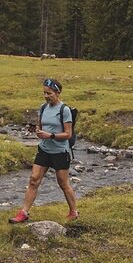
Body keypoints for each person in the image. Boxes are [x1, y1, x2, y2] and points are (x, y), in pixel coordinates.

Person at [8, 78, 79, 224]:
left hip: (60, 152)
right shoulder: (43, 107)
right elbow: (40, 128)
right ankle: (24, 213)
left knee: (63, 183)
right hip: (44, 149)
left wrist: (51, 135)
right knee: (34, 180)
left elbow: (68, 134)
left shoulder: (64, 110)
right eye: (45, 93)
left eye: (49, 93)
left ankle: (73, 211)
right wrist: (36, 130)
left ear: (57, 93)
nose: (46, 96)